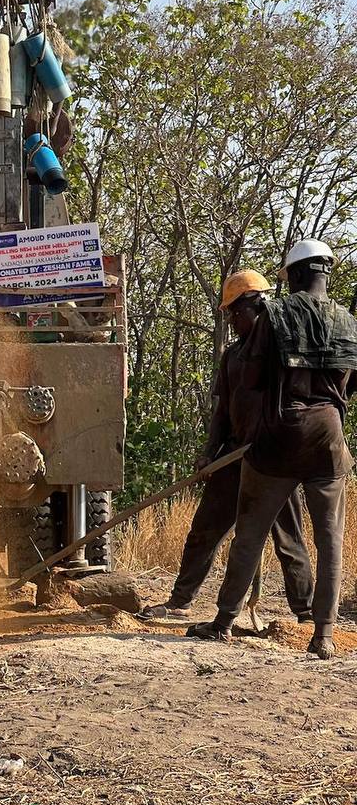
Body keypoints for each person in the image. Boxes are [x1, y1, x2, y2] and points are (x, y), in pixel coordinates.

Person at [189, 240, 357, 658]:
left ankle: (224, 621)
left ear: (295, 275)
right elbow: (351, 386)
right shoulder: (349, 322)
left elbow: (251, 377)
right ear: (326, 273)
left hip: (279, 436)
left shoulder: (276, 316)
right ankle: (323, 635)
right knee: (330, 539)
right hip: (330, 437)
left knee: (249, 533)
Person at [141, 271, 313, 622]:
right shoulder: (233, 356)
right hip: (233, 457)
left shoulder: (284, 353)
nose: (233, 321)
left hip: (274, 462)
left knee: (289, 540)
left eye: (236, 314)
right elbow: (222, 410)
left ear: (258, 307)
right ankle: (179, 602)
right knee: (204, 531)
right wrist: (209, 452)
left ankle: (306, 613)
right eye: (230, 315)